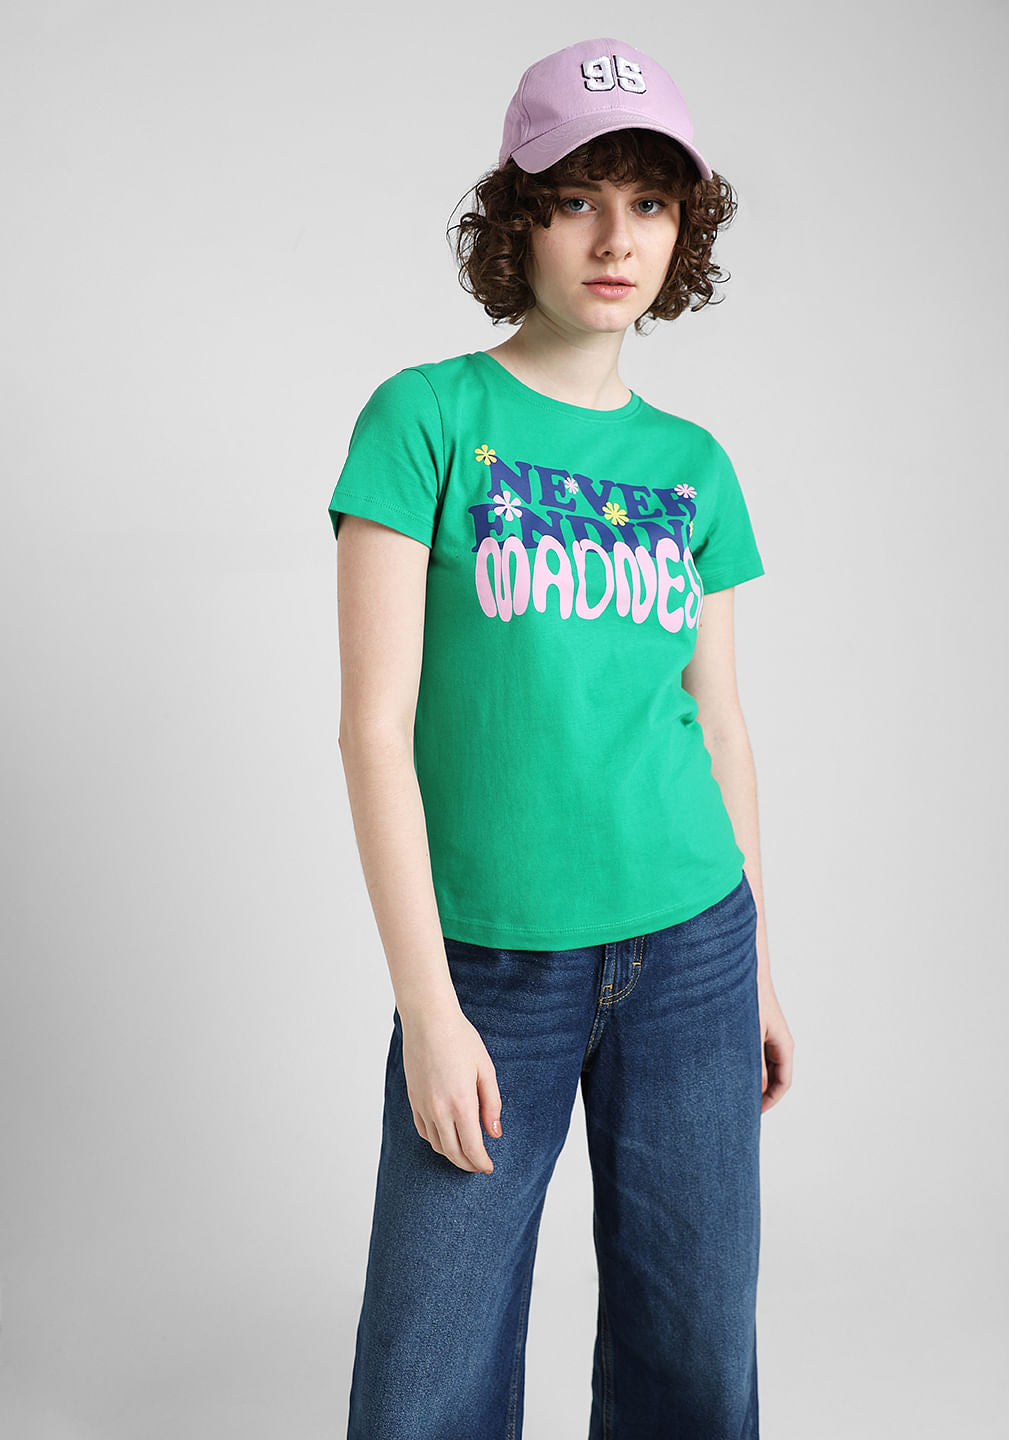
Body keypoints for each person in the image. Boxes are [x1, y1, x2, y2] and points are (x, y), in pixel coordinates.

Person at [329, 35, 794, 1440]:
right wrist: (429, 1008)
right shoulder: (425, 420)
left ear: (683, 230)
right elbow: (372, 730)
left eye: (649, 202)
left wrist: (760, 970)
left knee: (695, 1361)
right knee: (424, 1385)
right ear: (515, 217)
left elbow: (718, 718)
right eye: (577, 197)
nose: (615, 239)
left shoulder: (694, 467)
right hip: (492, 967)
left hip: (692, 951)